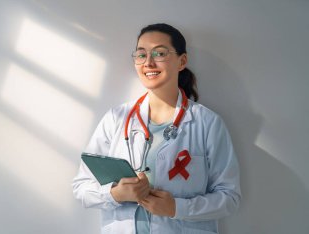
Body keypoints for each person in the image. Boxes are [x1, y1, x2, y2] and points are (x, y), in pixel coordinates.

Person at [72, 23, 241, 234]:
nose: (148, 62)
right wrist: (115, 194)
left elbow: (229, 197)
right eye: (141, 55)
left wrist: (176, 208)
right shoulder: (115, 119)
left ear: (182, 61)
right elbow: (81, 187)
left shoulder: (207, 123)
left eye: (159, 53)